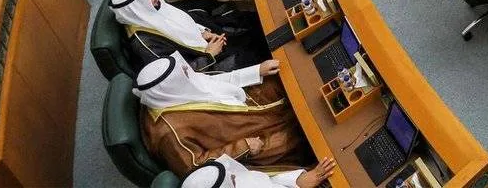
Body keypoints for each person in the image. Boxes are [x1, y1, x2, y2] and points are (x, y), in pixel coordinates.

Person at [132, 54, 309, 170]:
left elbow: (207, 81)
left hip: (242, 107)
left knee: (285, 79)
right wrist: (243, 146)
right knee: (295, 135)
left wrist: (256, 71)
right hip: (242, 138)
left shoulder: (171, 91)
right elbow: (195, 167)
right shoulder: (167, 133)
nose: (187, 75)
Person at [110, 0, 264, 72]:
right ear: (138, 8)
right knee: (260, 53)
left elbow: (178, 20)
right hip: (207, 68)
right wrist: (209, 55)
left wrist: (202, 32)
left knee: (256, 28)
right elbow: (179, 74)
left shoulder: (150, 12)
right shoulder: (145, 43)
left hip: (207, 46)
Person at [180, 156, 338, 188]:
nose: (234, 174)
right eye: (232, 181)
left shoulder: (237, 180)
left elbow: (270, 182)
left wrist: (297, 181)